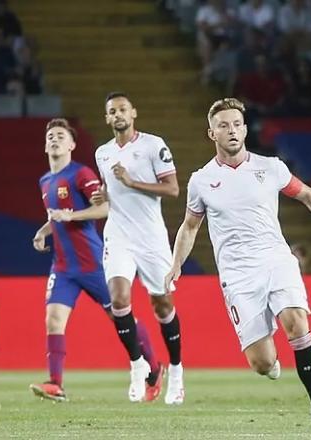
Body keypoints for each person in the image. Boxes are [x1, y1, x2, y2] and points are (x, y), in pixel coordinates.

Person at [165, 98, 311, 430]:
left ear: (245, 129)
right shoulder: (201, 180)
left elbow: (307, 193)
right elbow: (190, 226)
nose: (232, 130)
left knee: (296, 323)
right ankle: (272, 365)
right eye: (223, 125)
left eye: (237, 124)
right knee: (261, 362)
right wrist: (176, 263)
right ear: (212, 133)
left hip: (276, 260)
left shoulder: (271, 167)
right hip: (237, 276)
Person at [30, 118, 161, 402]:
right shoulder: (45, 180)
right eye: (50, 136)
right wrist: (43, 231)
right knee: (53, 320)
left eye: (61, 136)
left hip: (92, 263)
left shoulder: (81, 174)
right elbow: (57, 216)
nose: (54, 139)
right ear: (45, 145)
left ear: (72, 145)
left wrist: (72, 216)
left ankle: (154, 368)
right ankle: (56, 384)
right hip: (63, 267)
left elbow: (104, 207)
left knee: (120, 316)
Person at [91, 92, 183, 404]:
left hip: (151, 237)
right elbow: (109, 190)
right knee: (118, 299)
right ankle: (137, 364)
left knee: (162, 305)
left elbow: (172, 188)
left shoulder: (153, 145)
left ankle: (177, 370)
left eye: (122, 109)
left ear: (134, 113)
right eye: (111, 111)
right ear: (107, 118)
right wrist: (103, 197)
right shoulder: (102, 153)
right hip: (118, 234)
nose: (117, 114)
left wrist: (132, 183)